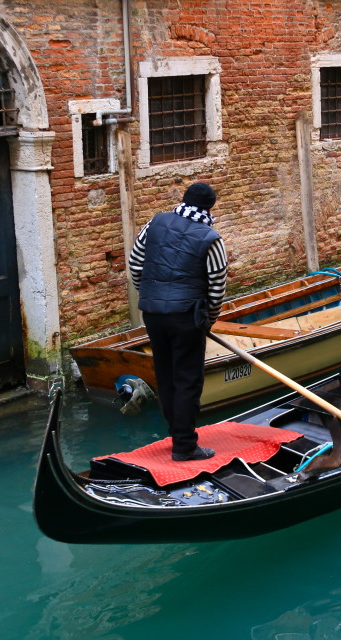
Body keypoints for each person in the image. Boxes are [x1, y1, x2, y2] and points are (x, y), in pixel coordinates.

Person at [128, 182, 228, 461]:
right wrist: (209, 320)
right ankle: (184, 446)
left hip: (153, 313)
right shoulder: (211, 238)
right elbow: (216, 287)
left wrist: (150, 294)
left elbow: (136, 264)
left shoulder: (155, 223)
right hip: (187, 317)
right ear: (210, 207)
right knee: (187, 380)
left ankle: (175, 433)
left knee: (166, 373)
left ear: (183, 200)